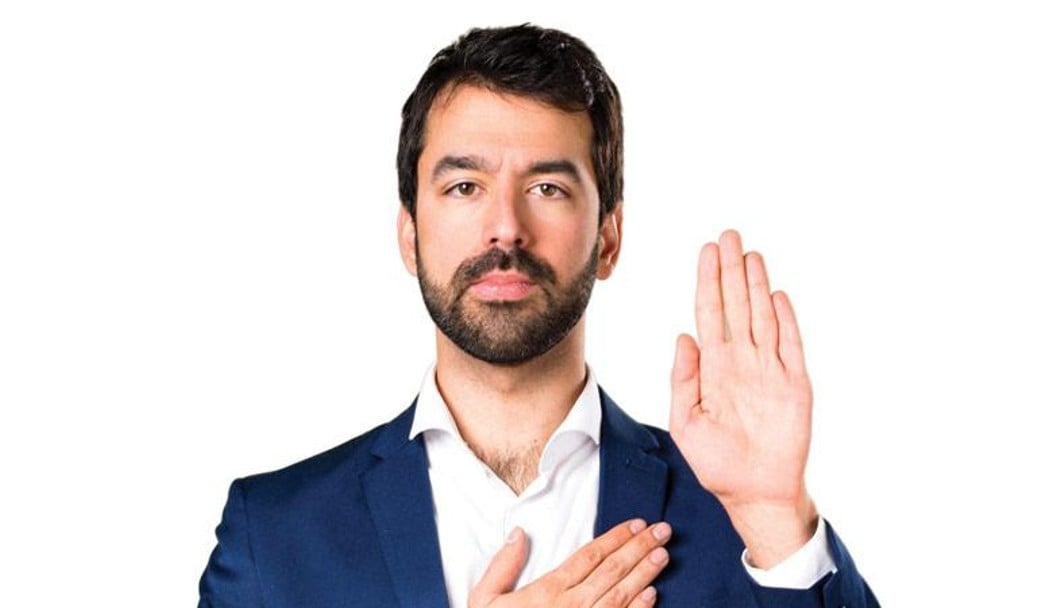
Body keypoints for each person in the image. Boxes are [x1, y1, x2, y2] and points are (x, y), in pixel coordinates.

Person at [198, 24, 879, 607]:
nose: (505, 226)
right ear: (409, 235)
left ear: (607, 238)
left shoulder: (736, 510)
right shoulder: (273, 534)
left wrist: (779, 524)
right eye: (465, 186)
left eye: (547, 187)